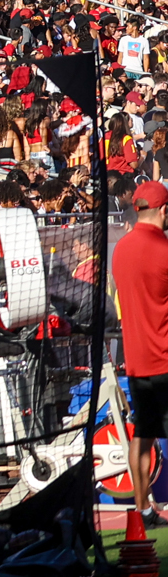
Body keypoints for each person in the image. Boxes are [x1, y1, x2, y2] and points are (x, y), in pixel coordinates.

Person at [116, 179, 168, 525]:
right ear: (164, 210)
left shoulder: (121, 248)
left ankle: (143, 508)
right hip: (165, 355)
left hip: (137, 360)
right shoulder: (164, 249)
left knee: (143, 434)